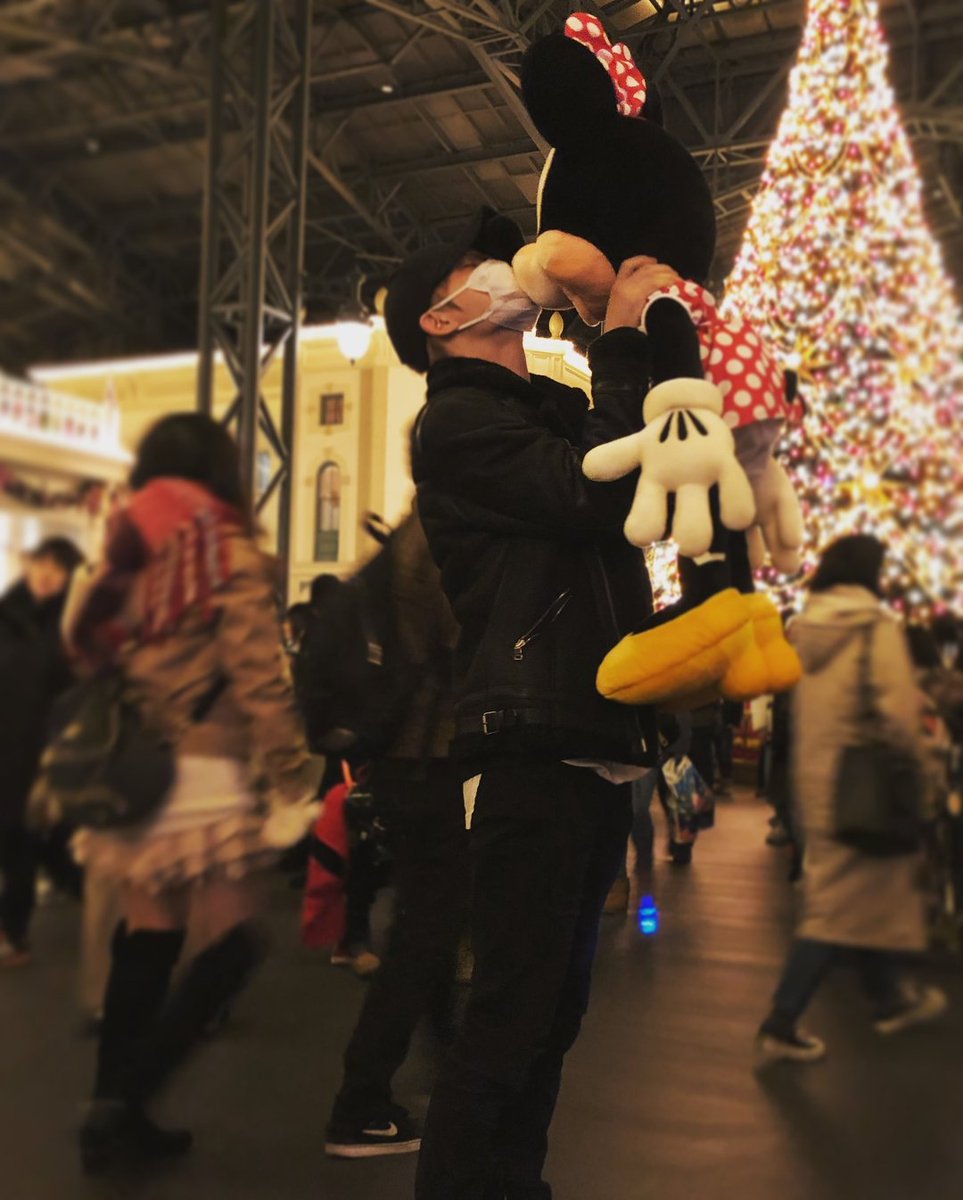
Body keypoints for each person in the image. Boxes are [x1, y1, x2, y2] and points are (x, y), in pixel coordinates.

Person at [385, 206, 665, 1198]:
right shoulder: (457, 422)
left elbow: (622, 474)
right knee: (509, 1022)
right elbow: (596, 490)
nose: (507, 272)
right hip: (527, 742)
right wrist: (620, 342)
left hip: (581, 734)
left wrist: (601, 333)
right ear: (440, 319)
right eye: (478, 268)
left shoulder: (540, 405)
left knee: (552, 1016)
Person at [67, 413, 316, 1172]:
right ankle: (127, 1099)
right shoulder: (225, 551)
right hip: (204, 769)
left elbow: (84, 645)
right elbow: (258, 676)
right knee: (236, 942)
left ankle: (112, 1117)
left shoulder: (126, 544)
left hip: (136, 765)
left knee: (148, 938)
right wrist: (292, 776)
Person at [756, 534, 948, 1064]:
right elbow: (898, 715)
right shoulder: (872, 628)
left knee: (857, 897)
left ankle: (888, 998)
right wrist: (926, 766)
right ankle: (782, 1020)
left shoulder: (806, 630)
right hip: (866, 786)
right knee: (837, 910)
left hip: (820, 783)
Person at [325, 503, 468, 1157]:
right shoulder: (437, 538)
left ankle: (450, 1059)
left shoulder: (409, 536)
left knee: (430, 922)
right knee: (423, 931)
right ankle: (359, 1105)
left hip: (407, 758)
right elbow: (459, 640)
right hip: (427, 758)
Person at [0, 535, 84, 967]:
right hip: (5, 744)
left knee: (21, 838)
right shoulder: (6, 615)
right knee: (26, 841)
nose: (46, 574)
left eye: (58, 567)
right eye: (41, 563)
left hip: (44, 752)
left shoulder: (74, 627)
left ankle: (12, 934)